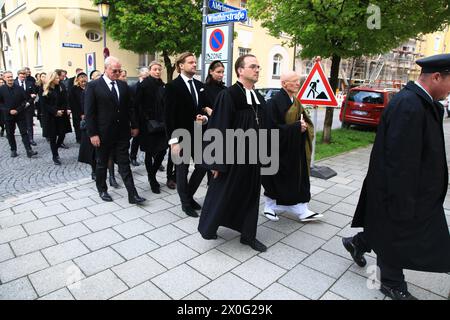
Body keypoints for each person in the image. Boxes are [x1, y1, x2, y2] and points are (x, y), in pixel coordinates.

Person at [343, 53, 450, 300]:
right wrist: (402, 201)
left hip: (417, 190)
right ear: (436, 77)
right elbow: (399, 159)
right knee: (396, 232)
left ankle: (358, 243)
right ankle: (391, 283)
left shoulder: (421, 102)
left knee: (389, 228)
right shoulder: (409, 104)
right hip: (402, 190)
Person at [198, 54, 267, 252]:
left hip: (253, 158)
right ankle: (208, 228)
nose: (257, 70)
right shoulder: (228, 95)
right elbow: (218, 128)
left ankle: (248, 235)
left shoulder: (258, 97)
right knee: (222, 194)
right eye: (253, 66)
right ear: (240, 70)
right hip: (232, 158)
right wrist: (216, 163)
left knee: (251, 196)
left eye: (258, 67)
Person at [262, 71, 323, 222]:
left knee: (298, 178)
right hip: (279, 150)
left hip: (294, 147)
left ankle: (301, 208)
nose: (298, 83)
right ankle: (269, 207)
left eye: (298, 81)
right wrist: (296, 127)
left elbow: (303, 120)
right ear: (284, 84)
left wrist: (302, 126)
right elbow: (270, 130)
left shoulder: (294, 101)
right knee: (276, 180)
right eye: (294, 81)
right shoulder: (273, 103)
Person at [84, 56, 145, 204]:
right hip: (103, 134)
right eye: (114, 70)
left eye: (119, 70)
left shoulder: (123, 86)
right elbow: (90, 112)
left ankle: (132, 194)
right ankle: (102, 189)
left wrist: (134, 125)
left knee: (124, 163)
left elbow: (129, 108)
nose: (117, 73)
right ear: (106, 69)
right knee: (102, 163)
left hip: (122, 133)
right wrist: (93, 134)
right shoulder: (93, 86)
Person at [165, 52, 208, 217]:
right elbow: (168, 117)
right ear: (181, 65)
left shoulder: (199, 85)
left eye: (195, 62)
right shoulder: (172, 87)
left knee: (203, 165)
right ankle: (185, 203)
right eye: (190, 62)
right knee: (181, 171)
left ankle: (188, 196)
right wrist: (174, 142)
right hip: (180, 137)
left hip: (197, 134)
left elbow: (202, 108)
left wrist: (203, 118)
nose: (194, 65)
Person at [135, 62, 167, 194]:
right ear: (149, 70)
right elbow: (137, 105)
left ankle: (152, 174)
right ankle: (152, 179)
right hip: (147, 125)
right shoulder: (143, 85)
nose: (158, 72)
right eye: (155, 69)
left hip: (162, 123)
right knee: (149, 151)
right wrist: (144, 119)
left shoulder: (162, 85)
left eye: (159, 69)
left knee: (163, 150)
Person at [0, 71, 37, 158]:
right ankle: (13, 149)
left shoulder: (19, 88)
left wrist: (18, 110)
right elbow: (0, 103)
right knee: (10, 133)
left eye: (11, 77)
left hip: (20, 114)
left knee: (24, 132)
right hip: (8, 115)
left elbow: (25, 100)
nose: (10, 79)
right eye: (8, 77)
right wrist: (9, 110)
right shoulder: (1, 90)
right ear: (4, 78)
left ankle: (29, 150)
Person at [40, 72, 72, 165]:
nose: (59, 79)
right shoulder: (44, 89)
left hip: (61, 115)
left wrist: (64, 109)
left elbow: (64, 99)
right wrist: (54, 111)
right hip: (50, 117)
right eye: (57, 78)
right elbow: (44, 105)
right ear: (52, 79)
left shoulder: (60, 87)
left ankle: (56, 148)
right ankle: (55, 155)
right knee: (53, 137)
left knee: (62, 134)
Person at [129, 67, 149, 167]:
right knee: (136, 139)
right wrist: (134, 122)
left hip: (148, 118)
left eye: (147, 75)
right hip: (137, 118)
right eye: (144, 75)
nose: (146, 76)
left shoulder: (152, 86)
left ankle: (154, 159)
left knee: (151, 139)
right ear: (140, 75)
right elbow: (132, 106)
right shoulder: (133, 87)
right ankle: (132, 157)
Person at [15, 69, 37, 146]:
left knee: (29, 123)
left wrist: (29, 102)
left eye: (24, 76)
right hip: (19, 107)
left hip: (28, 106)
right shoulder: (14, 83)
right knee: (22, 124)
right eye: (21, 76)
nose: (23, 78)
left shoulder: (30, 83)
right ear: (18, 75)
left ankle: (31, 139)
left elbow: (34, 94)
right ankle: (24, 138)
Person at [69, 72, 88, 143]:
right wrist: (81, 114)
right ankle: (79, 139)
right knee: (77, 125)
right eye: (81, 80)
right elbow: (73, 103)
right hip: (77, 111)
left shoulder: (89, 87)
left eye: (84, 80)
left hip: (87, 110)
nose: (83, 82)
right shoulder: (74, 89)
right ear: (78, 80)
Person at [55, 69, 71, 149]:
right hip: (56, 111)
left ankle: (60, 142)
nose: (64, 77)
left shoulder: (62, 84)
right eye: (62, 75)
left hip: (64, 109)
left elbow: (66, 97)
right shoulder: (54, 85)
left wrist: (68, 108)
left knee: (63, 129)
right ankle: (57, 144)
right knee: (58, 129)